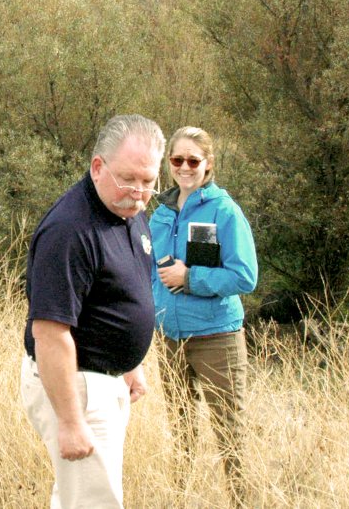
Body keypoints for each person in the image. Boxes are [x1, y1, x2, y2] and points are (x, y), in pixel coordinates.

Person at [21, 114, 165, 509]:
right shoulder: (69, 230)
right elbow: (49, 333)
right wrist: (69, 422)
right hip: (76, 385)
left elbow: (119, 292)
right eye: (128, 179)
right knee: (93, 503)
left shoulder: (129, 215)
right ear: (97, 166)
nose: (138, 192)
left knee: (80, 498)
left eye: (148, 182)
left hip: (105, 378)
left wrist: (129, 363)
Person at [150, 126, 257, 505]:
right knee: (180, 431)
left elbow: (245, 276)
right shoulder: (161, 214)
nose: (184, 167)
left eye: (193, 160)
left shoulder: (224, 211)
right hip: (170, 339)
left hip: (216, 338)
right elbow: (151, 272)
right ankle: (178, 498)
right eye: (177, 160)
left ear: (208, 164)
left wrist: (191, 278)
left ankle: (241, 501)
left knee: (231, 435)